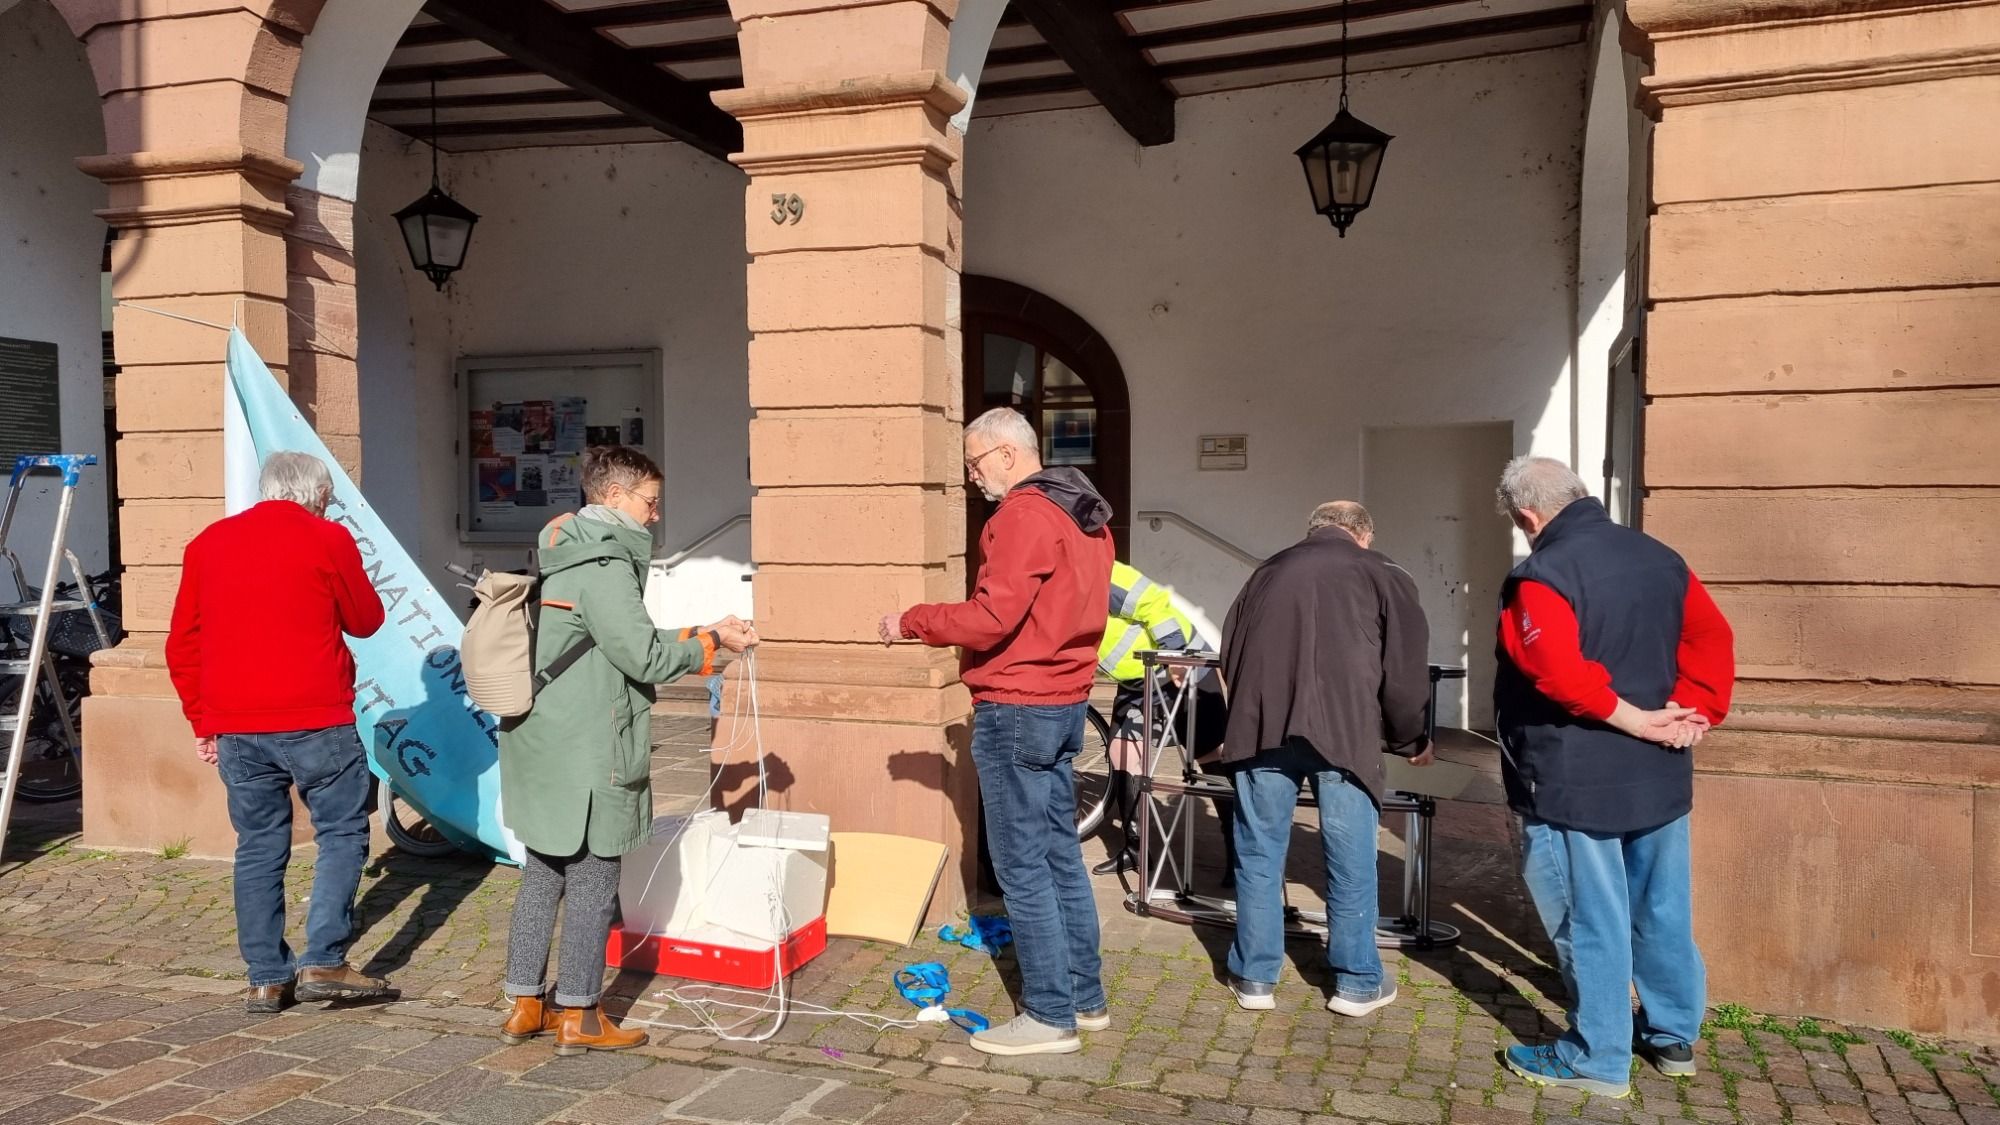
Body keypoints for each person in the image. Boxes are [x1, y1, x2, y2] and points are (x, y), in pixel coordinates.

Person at [497, 446, 755, 1055]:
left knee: (543, 872)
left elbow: (612, 640)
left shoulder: (563, 551)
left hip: (543, 735)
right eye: (650, 501)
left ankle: (526, 1005)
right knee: (592, 878)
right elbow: (644, 658)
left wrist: (704, 632)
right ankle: (581, 1015)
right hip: (588, 743)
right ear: (614, 497)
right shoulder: (606, 564)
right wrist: (711, 645)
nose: (656, 514)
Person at [1491, 457, 1733, 1099]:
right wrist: (1694, 712)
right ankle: (1672, 1034)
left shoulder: (1542, 573)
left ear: (1528, 516)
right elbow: (1712, 638)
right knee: (1662, 905)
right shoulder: (1661, 557)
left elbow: (1555, 670)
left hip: (1575, 776)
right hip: (1658, 772)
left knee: (1588, 915)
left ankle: (1596, 1056)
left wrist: (1638, 721)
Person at [879, 407, 1115, 1056]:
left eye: (975, 462)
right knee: (1060, 853)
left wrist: (912, 619)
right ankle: (1085, 998)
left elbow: (991, 617)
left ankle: (1048, 1015)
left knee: (1022, 865)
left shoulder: (1023, 514)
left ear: (1009, 454)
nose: (972, 475)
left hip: (1018, 703)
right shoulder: (1085, 514)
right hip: (1065, 700)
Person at [165, 451, 395, 1015]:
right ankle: (324, 959)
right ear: (318, 495)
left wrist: (203, 720)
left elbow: (182, 644)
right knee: (341, 832)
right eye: (329, 498)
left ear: (267, 489)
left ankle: (266, 978)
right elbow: (366, 620)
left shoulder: (208, 543)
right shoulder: (327, 538)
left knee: (259, 845)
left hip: (237, 725)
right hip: (316, 718)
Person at [1217, 500, 1431, 1016]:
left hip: (1263, 729)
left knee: (1259, 855)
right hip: (1346, 734)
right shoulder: (1383, 572)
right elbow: (1405, 669)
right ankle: (1356, 982)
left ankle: (1254, 978)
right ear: (1364, 534)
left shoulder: (1267, 571)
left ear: (1312, 530)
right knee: (1350, 855)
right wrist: (1410, 738)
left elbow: (1229, 653)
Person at [1092, 561, 1232, 880]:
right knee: (1123, 755)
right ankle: (1136, 849)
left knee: (1211, 755)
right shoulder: (1053, 582)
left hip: (1184, 666)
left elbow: (1153, 602)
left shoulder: (1099, 569)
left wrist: (1175, 654)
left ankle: (1239, 851)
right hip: (1138, 681)